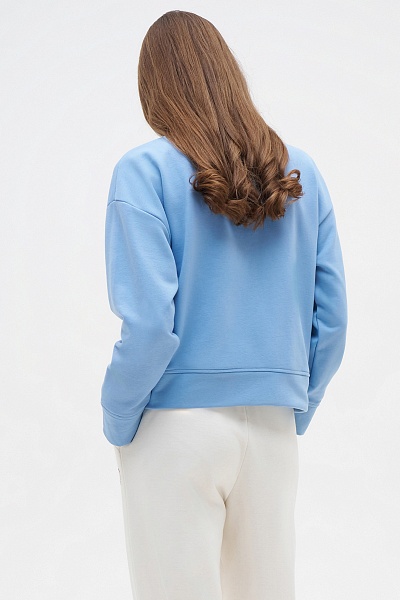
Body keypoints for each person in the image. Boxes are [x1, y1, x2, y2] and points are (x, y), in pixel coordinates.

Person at [100, 10, 348, 600]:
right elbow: (333, 321)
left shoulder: (143, 171)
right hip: (273, 428)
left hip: (173, 427)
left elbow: (150, 324)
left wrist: (118, 418)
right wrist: (292, 406)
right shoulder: (299, 173)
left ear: (154, 86)